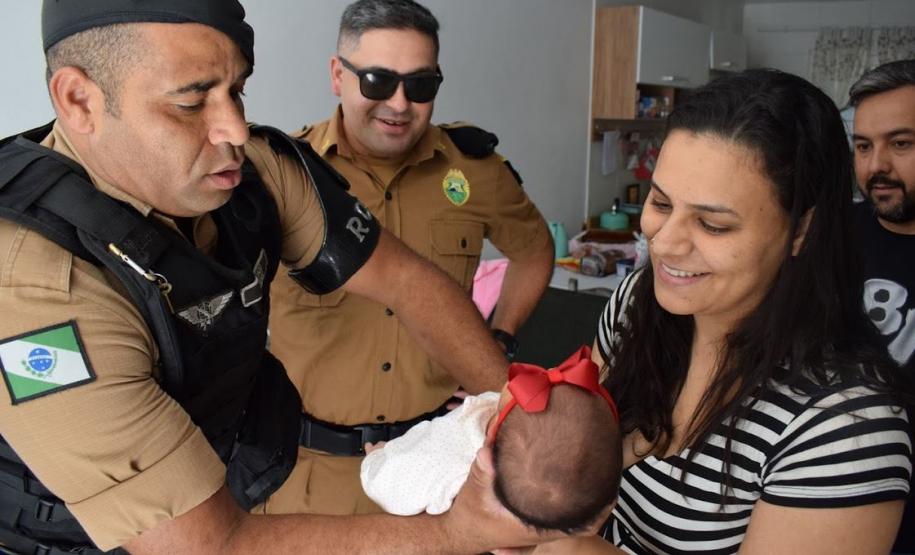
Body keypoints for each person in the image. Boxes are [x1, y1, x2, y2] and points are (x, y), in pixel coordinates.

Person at [0, 2, 569, 553]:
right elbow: (210, 544)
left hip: (239, 475)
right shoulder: (37, 289)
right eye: (192, 103)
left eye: (237, 90)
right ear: (80, 101)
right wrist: (460, 534)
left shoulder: (255, 174)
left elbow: (407, 283)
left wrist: (516, 425)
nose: (235, 128)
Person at [542, 69, 913, 554]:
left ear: (802, 231)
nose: (666, 243)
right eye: (660, 202)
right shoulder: (638, 303)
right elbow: (579, 446)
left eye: (713, 224)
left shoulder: (848, 431)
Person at [266, 0, 554, 515]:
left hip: (433, 467)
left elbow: (533, 251)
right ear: (338, 75)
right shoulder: (285, 178)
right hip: (307, 473)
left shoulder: (475, 171)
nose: (399, 104)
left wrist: (500, 337)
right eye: (377, 81)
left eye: (420, 85)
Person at [361, 346, 621, 533]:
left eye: (535, 387)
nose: (547, 372)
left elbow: (387, 488)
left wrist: (378, 458)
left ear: (490, 440)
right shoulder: (520, 449)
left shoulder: (446, 464)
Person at [848, 59, 915, 554]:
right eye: (864, 146)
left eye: (902, 143)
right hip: (821, 492)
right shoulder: (827, 237)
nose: (877, 167)